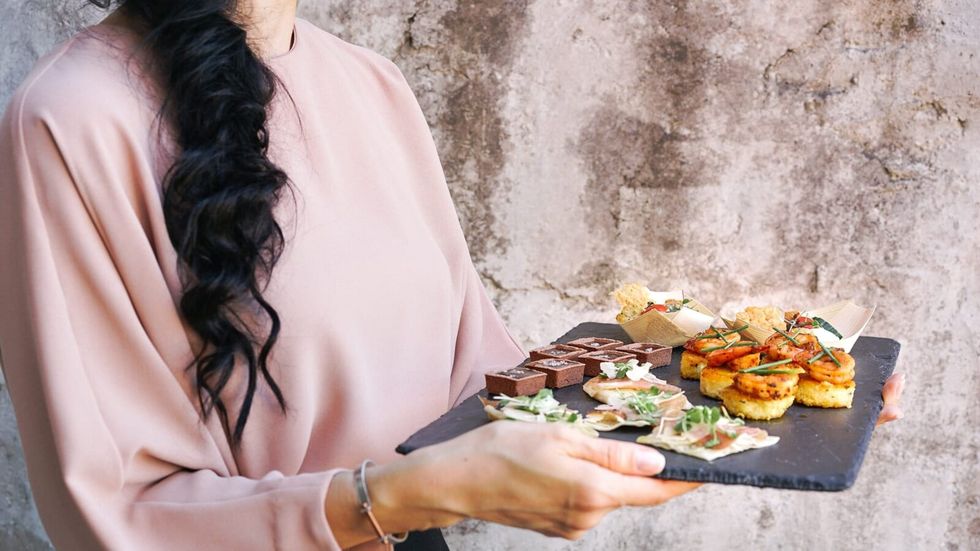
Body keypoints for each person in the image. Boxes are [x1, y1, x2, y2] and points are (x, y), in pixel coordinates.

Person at [0, 1, 905, 550]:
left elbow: (481, 389)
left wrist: (736, 381)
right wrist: (404, 494)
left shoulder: (372, 85)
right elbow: (113, 516)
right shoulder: (71, 120)